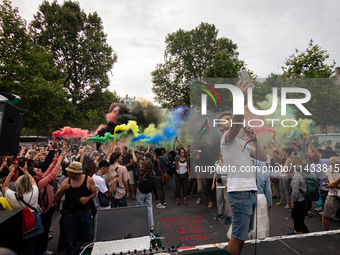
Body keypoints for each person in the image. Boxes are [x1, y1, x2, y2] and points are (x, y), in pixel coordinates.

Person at [217, 81, 267, 255]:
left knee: (243, 235)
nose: (231, 120)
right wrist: (240, 98)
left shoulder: (242, 143)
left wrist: (253, 138)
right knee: (238, 236)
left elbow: (263, 157)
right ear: (222, 127)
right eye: (227, 120)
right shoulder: (226, 139)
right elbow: (237, 123)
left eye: (232, 118)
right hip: (240, 192)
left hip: (250, 192)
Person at [53, 161, 96, 255]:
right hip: (69, 217)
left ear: (76, 172)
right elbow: (55, 200)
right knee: (70, 243)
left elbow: (93, 193)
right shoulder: (65, 181)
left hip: (85, 216)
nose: (67, 173)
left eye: (69, 171)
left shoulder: (88, 180)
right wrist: (61, 190)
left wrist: (87, 198)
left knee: (88, 241)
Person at [28, 153, 64, 255]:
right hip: (45, 210)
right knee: (44, 230)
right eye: (38, 171)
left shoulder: (39, 179)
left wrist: (54, 162)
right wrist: (58, 163)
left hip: (49, 207)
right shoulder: (38, 182)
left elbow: (48, 172)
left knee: (45, 229)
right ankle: (42, 250)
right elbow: (52, 176)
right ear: (34, 175)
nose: (41, 171)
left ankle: (42, 248)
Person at [3, 165, 44, 255]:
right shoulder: (34, 191)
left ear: (17, 184)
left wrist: (10, 173)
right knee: (30, 248)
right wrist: (26, 171)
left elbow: (5, 187)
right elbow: (33, 181)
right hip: (33, 222)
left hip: (18, 223)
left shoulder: (13, 195)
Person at [131, 147, 155, 231]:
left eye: (143, 164)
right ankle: (151, 225)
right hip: (148, 192)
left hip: (140, 191)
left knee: (140, 207)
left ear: (144, 166)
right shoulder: (151, 172)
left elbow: (135, 162)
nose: (141, 165)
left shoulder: (141, 172)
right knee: (149, 208)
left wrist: (133, 152)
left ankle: (141, 224)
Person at [288, 157, 309, 234]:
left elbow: (295, 191)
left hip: (299, 201)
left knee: (297, 217)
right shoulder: (300, 175)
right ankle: (297, 230)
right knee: (297, 217)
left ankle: (303, 232)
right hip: (303, 199)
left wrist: (293, 201)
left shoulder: (295, 178)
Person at [211, 151, 232, 224]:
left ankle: (229, 215)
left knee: (226, 198)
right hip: (218, 180)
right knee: (219, 197)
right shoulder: (217, 162)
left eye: (222, 155)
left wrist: (229, 183)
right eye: (220, 155)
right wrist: (213, 183)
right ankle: (220, 213)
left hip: (226, 180)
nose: (221, 156)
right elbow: (215, 173)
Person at [274, 137, 293, 209]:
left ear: (287, 153)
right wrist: (275, 140)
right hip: (282, 175)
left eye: (284, 151)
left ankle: (288, 203)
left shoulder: (288, 159)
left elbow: (284, 168)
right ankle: (282, 200)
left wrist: (278, 164)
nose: (282, 152)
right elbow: (278, 148)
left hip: (286, 175)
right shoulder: (284, 157)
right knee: (281, 188)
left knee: (286, 189)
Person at [322, 156, 340, 231]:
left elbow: (332, 185)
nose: (332, 166)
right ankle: (325, 232)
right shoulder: (329, 169)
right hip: (333, 194)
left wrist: (333, 185)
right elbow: (332, 183)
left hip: (334, 192)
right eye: (331, 165)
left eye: (334, 165)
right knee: (326, 215)